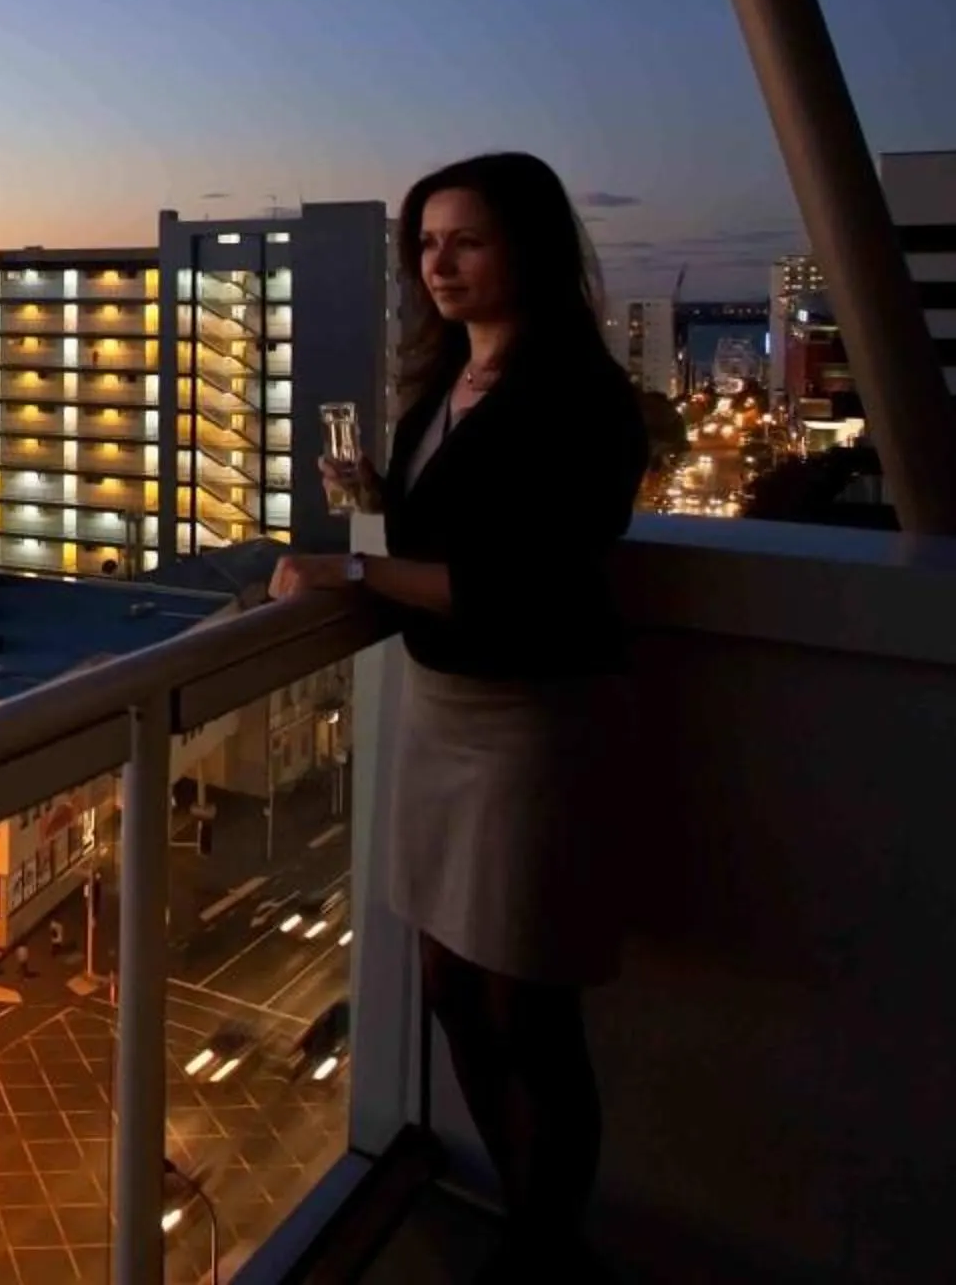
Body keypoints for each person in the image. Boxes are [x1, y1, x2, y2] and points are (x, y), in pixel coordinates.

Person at [270, 151, 646, 1280]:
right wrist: (379, 509)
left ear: (526, 246)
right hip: (441, 709)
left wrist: (357, 578)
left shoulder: (575, 396)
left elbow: (528, 583)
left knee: (527, 1003)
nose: (438, 263)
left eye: (465, 240)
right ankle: (527, 1216)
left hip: (527, 721)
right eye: (425, 243)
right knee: (449, 984)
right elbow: (457, 544)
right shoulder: (449, 384)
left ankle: (545, 1241)